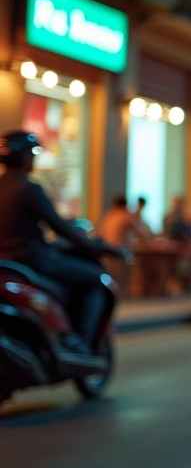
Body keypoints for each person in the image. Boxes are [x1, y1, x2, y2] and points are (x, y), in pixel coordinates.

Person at [0, 131, 115, 357]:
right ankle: (80, 341)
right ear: (24, 157)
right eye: (32, 154)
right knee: (96, 280)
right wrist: (96, 246)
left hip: (6, 264)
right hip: (34, 260)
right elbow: (59, 226)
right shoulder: (29, 188)